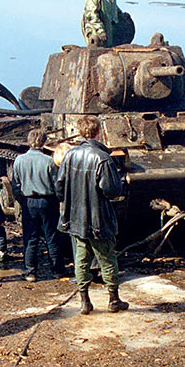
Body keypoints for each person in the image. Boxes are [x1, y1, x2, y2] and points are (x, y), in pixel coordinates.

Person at [56, 116, 129, 314]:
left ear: (80, 132)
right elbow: (112, 190)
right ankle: (113, 299)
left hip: (76, 218)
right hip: (99, 218)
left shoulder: (70, 155)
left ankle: (84, 301)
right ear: (98, 132)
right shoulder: (102, 158)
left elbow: (59, 186)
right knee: (107, 259)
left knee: (81, 259)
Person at [11, 129, 64, 281]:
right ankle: (58, 270)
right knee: (51, 236)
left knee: (30, 237)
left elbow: (16, 185)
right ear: (44, 142)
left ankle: (30, 271)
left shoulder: (19, 160)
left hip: (28, 201)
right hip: (47, 201)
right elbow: (56, 184)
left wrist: (22, 200)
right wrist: (59, 199)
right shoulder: (49, 161)